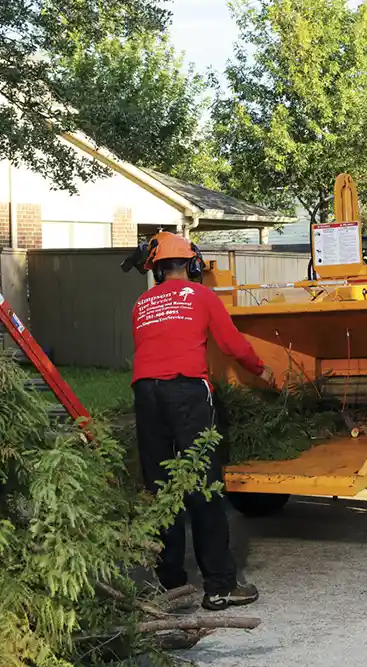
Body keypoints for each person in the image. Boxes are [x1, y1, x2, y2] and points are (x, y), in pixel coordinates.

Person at [131, 231, 273, 611]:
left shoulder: (141, 304)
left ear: (156, 270)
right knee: (203, 486)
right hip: (187, 393)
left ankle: (170, 587)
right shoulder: (203, 296)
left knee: (162, 487)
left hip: (146, 394)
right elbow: (232, 345)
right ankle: (221, 586)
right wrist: (262, 371)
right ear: (193, 265)